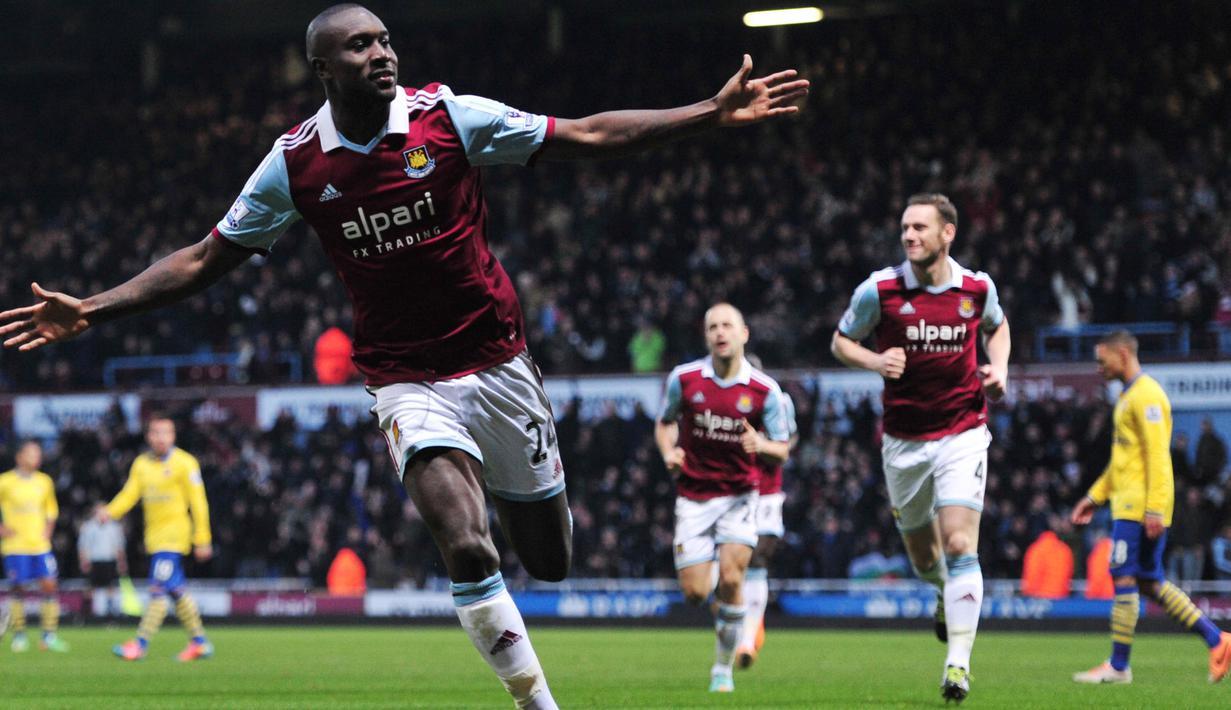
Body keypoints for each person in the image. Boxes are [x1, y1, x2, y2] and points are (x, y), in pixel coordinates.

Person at [0, 5, 807, 707]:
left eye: (386, 41)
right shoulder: (296, 163)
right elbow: (207, 256)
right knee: (464, 543)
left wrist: (707, 111)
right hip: (402, 377)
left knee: (549, 560)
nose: (382, 53)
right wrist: (94, 308)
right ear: (323, 68)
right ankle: (538, 701)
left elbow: (587, 134)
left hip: (498, 365)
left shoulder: (449, 118)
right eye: (360, 46)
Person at [831, 193, 1010, 703]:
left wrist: (999, 369)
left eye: (919, 228)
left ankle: (957, 664)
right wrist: (873, 360)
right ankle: (940, 592)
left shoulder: (976, 288)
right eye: (905, 228)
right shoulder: (881, 290)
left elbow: (998, 328)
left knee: (959, 545)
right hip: (904, 441)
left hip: (963, 429)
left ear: (947, 233)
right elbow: (840, 341)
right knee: (924, 557)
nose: (909, 236)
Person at [1071, 331, 1231, 685]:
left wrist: (1156, 508)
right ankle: (1217, 640)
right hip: (1129, 504)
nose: (1099, 368)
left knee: (1124, 576)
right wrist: (1094, 496)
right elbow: (1121, 464)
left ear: (1123, 354)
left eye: (1103, 360)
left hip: (1139, 508)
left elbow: (1159, 456)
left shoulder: (1148, 396)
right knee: (1150, 582)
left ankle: (1118, 666)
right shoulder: (1127, 397)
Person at [655, 303, 791, 693]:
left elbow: (782, 449)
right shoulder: (685, 379)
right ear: (706, 335)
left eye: (727, 325)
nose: (720, 332)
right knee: (697, 593)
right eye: (712, 326)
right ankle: (730, 616)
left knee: (733, 579)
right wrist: (669, 452)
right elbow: (664, 423)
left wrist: (761, 443)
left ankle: (722, 669)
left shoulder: (766, 391)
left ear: (744, 333)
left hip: (739, 497)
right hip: (694, 497)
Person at [101, 416, 214, 662]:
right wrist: (109, 512)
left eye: (166, 433)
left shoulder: (186, 463)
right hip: (154, 538)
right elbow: (130, 494)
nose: (160, 438)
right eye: (155, 432)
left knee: (158, 590)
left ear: (173, 436)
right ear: (148, 436)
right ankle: (200, 642)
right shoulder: (141, 464)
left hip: (174, 538)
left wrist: (202, 538)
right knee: (176, 591)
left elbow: (199, 502)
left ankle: (139, 644)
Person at [734, 353, 798, 670]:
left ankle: (747, 640)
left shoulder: (779, 401)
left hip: (767, 492)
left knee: (758, 558)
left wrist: (764, 443)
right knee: (731, 570)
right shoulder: (722, 400)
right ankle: (750, 625)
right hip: (730, 491)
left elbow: (789, 441)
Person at [0, 440, 69, 652]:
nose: (36, 458)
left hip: (39, 545)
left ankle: (48, 636)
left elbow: (51, 510)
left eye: (38, 454)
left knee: (50, 585)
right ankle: (19, 636)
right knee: (18, 588)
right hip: (15, 545)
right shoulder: (5, 481)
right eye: (31, 454)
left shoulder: (44, 481)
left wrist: (48, 530)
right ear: (19, 457)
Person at [77, 502, 129, 617]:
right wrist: (83, 561)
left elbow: (119, 547)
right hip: (94, 561)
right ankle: (86, 615)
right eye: (99, 511)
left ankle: (111, 614)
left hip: (109, 561)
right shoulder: (88, 527)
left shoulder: (114, 527)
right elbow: (83, 546)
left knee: (111, 587)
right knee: (90, 588)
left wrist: (121, 562)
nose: (102, 514)